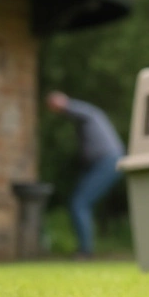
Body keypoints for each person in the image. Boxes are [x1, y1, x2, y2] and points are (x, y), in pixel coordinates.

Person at [45, 91, 125, 259]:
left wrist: (64, 104)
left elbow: (72, 108)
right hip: (104, 162)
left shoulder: (86, 112)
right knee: (81, 203)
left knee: (79, 203)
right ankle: (85, 248)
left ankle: (85, 251)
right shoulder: (89, 117)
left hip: (108, 162)